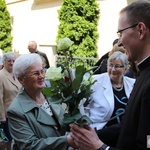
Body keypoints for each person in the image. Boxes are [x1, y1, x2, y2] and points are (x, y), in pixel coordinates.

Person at [70, 1, 150, 149]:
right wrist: (89, 136)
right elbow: (128, 126)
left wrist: (99, 147)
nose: (119, 42)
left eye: (121, 33)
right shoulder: (142, 72)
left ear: (140, 30)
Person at [7, 53, 77, 150]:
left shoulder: (51, 94)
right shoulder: (16, 111)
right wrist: (67, 141)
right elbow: (29, 146)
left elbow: (63, 121)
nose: (41, 76)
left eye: (42, 71)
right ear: (21, 79)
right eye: (36, 73)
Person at [86, 51, 135, 130]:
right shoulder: (95, 81)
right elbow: (84, 107)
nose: (113, 69)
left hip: (124, 131)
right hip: (100, 130)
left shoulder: (132, 83)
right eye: (110, 65)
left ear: (125, 69)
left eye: (117, 66)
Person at [0, 52, 21, 150]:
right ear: (4, 62)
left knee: (18, 138)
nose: (12, 63)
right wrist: (2, 116)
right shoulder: (1, 75)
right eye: (9, 61)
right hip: (7, 115)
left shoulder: (17, 75)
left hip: (19, 113)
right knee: (8, 140)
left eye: (14, 61)